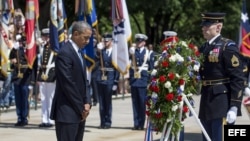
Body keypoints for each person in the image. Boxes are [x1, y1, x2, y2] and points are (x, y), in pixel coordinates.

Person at [198, 12, 245, 141]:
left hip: (221, 102)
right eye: (203, 25)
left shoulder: (227, 46)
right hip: (206, 99)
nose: (204, 28)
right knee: (207, 138)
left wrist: (235, 105)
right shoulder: (203, 48)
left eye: (208, 25)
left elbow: (238, 77)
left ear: (218, 27)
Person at [50, 21, 92, 141]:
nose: (87, 41)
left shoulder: (79, 53)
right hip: (67, 112)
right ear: (76, 34)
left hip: (80, 112)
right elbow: (68, 84)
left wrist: (87, 102)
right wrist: (81, 108)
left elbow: (85, 81)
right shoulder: (65, 53)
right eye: (85, 38)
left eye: (89, 38)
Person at [129, 33, 153, 130]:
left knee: (142, 103)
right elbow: (130, 67)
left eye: (140, 41)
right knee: (135, 103)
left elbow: (151, 69)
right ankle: (136, 123)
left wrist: (150, 82)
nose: (138, 43)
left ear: (144, 42)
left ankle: (141, 124)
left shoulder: (148, 53)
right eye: (137, 41)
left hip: (143, 81)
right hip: (134, 81)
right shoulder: (132, 52)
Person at [96, 33, 120, 129]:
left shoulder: (115, 52)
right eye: (104, 41)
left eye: (107, 41)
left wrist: (115, 82)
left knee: (108, 102)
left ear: (111, 41)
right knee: (101, 102)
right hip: (101, 78)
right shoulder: (101, 52)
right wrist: (98, 50)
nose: (105, 42)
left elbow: (117, 69)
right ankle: (102, 122)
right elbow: (95, 60)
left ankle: (108, 122)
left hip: (110, 78)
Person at [36, 28, 56, 128]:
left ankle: (51, 120)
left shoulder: (54, 47)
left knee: (51, 98)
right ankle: (44, 119)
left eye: (47, 36)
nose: (46, 38)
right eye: (44, 36)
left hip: (51, 73)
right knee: (43, 98)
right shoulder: (42, 46)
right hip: (42, 73)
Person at [90, 38, 99, 106]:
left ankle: (96, 99)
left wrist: (92, 68)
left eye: (94, 42)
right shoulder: (88, 49)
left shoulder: (97, 50)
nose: (93, 43)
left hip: (94, 70)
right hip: (88, 69)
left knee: (94, 85)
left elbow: (98, 61)